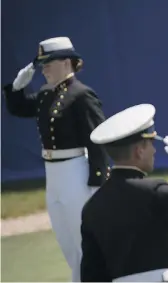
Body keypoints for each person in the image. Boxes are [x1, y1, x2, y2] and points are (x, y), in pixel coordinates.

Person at [2, 37, 110, 281]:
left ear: (66, 62)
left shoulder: (81, 95)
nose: (44, 68)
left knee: (85, 240)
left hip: (76, 173)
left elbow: (97, 138)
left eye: (49, 62)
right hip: (54, 175)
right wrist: (17, 87)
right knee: (66, 240)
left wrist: (97, 180)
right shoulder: (45, 94)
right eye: (42, 64)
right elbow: (18, 108)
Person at [80, 103, 168, 282]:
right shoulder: (153, 192)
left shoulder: (92, 206)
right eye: (151, 144)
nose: (154, 151)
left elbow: (91, 274)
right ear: (139, 151)